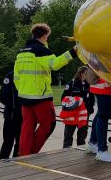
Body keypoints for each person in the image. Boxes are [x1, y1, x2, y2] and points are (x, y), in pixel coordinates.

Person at [14, 23, 78, 156]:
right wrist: (73, 52)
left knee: (27, 126)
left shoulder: (21, 52)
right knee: (48, 124)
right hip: (40, 97)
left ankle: (23, 153)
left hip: (24, 95)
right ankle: (32, 152)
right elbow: (55, 65)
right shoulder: (42, 51)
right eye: (47, 37)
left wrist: (22, 90)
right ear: (44, 36)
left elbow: (16, 76)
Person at [85, 74, 111, 162]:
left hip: (102, 85)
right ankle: (102, 151)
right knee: (103, 116)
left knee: (100, 114)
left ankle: (93, 144)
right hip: (106, 86)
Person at [60, 66, 94, 148]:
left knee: (82, 134)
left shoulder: (89, 84)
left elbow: (92, 97)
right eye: (87, 73)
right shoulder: (72, 83)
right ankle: (66, 151)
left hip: (84, 114)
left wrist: (90, 107)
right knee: (68, 134)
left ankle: (81, 149)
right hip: (73, 113)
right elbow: (63, 98)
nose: (88, 74)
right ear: (82, 73)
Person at [0, 71, 22, 159]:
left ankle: (17, 162)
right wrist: (14, 108)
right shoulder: (10, 76)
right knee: (8, 142)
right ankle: (2, 164)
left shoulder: (28, 75)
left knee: (20, 143)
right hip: (11, 116)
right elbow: (2, 96)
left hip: (23, 116)